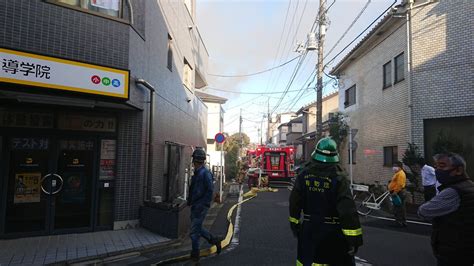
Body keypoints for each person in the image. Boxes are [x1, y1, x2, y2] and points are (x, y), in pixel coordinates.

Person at [289, 137, 363, 266]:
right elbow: (347, 212)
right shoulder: (338, 178)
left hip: (309, 228)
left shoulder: (303, 174)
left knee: (306, 261)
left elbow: (294, 202)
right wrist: (354, 239)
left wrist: (295, 225)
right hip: (332, 232)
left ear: (315, 154)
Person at [418, 152, 474, 265]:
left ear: (459, 170)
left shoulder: (452, 192)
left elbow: (423, 212)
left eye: (442, 166)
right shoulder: (470, 185)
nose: (438, 170)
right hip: (467, 247)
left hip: (453, 250)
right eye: (437, 166)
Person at [187, 148, 223, 263]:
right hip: (196, 205)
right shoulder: (198, 173)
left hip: (200, 206)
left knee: (194, 232)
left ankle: (195, 255)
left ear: (195, 160)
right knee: (197, 228)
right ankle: (214, 240)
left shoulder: (204, 173)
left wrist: (203, 204)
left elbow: (209, 190)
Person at [388, 161, 407, 227]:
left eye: (395, 166)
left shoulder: (400, 174)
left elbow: (400, 185)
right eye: (393, 165)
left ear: (400, 167)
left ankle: (400, 222)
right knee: (400, 207)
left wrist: (395, 192)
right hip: (397, 192)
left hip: (399, 192)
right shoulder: (398, 173)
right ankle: (402, 221)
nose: (394, 167)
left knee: (398, 207)